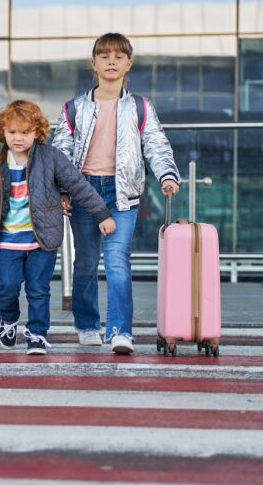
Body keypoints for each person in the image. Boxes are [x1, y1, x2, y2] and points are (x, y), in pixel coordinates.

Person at [51, 32, 180, 355]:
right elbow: (60, 152)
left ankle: (121, 331)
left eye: (118, 56)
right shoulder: (74, 108)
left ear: (128, 65)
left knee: (118, 262)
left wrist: (167, 175)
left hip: (122, 196)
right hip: (84, 194)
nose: (111, 61)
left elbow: (156, 145)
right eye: (104, 56)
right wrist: (63, 189)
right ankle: (88, 325)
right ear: (93, 64)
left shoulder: (140, 107)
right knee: (85, 264)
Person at [0, 100, 115, 355]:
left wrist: (101, 214)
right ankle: (8, 322)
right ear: (2, 132)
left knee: (38, 289)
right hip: (8, 240)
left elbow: (77, 185)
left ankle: (37, 334)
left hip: (43, 238)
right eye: (12, 132)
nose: (18, 138)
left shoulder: (51, 157)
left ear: (37, 132)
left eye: (25, 132)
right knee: (5, 287)